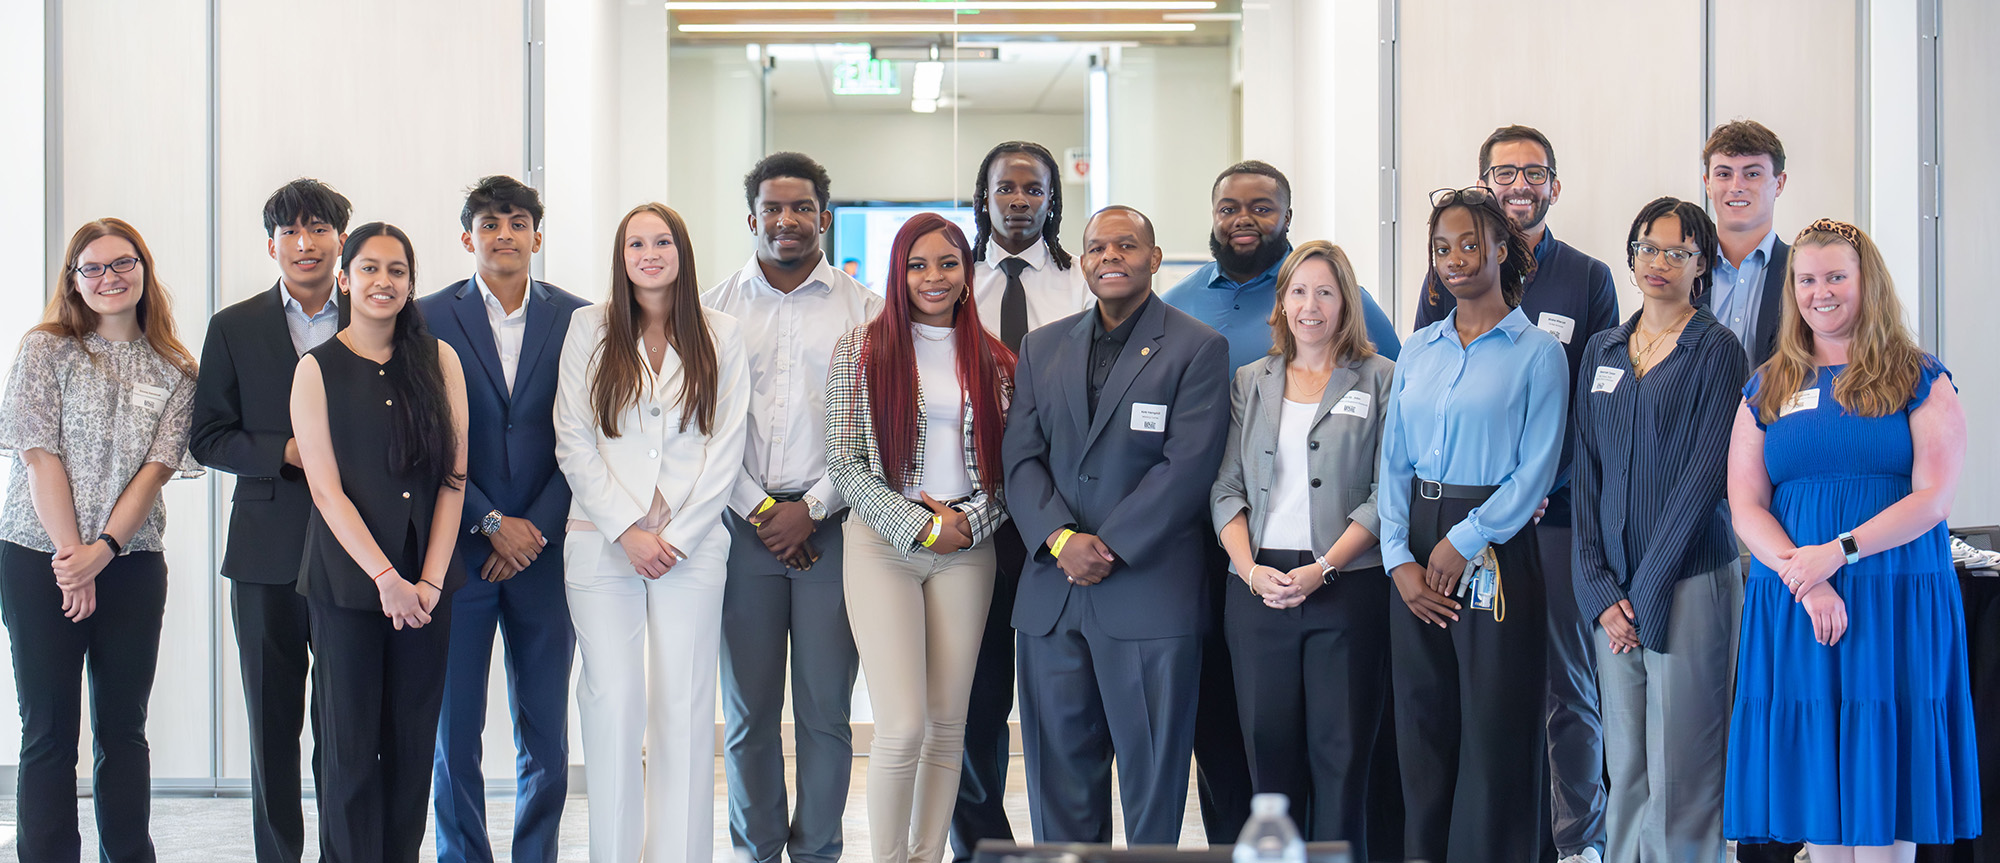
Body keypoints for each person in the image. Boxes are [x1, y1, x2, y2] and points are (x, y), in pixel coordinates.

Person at [1724, 219, 1980, 863]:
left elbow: (1933, 499)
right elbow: (1745, 505)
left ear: (1869, 283)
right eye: (1807, 279)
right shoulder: (1768, 384)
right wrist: (1804, 580)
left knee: (1885, 792)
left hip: (1892, 594)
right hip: (1796, 600)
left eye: (1837, 276)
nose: (1821, 292)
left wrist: (1837, 553)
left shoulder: (1918, 376)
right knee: (1819, 793)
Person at [1411, 125, 1618, 863]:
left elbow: (1593, 401)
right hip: (1463, 517)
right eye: (1505, 172)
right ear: (1485, 185)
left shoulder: (1588, 276)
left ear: (1554, 186)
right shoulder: (1450, 273)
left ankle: (1579, 841)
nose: (1519, 183)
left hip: (1551, 520)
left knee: (1565, 683)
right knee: (1470, 692)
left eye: (1533, 172)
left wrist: (1535, 491)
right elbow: (1428, 388)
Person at [1002, 204, 1231, 845]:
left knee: (1152, 780)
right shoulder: (1041, 348)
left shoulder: (1196, 347)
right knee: (1058, 779)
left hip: (1149, 593)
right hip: (1052, 595)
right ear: (1082, 263)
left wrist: (1109, 546)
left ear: (1154, 258)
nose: (1111, 257)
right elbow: (1020, 460)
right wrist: (1060, 539)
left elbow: (1187, 467)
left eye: (1126, 246)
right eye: (1098, 248)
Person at [0, 218, 199, 863]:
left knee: (123, 728)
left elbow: (155, 472)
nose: (110, 277)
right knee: (49, 730)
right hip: (38, 559)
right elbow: (40, 456)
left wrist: (102, 554)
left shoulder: (175, 368)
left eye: (123, 263)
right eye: (94, 268)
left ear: (144, 269)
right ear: (74, 280)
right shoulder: (44, 350)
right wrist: (72, 561)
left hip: (131, 563)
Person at [557, 203, 749, 863]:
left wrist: (677, 525)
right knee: (613, 705)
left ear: (681, 250)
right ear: (622, 255)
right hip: (602, 541)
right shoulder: (589, 327)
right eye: (636, 242)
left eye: (661, 240)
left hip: (691, 548)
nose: (649, 252)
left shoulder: (722, 332)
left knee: (686, 707)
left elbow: (728, 444)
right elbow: (573, 439)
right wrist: (626, 526)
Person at [1380, 187, 1567, 863]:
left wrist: (1464, 539)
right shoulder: (1417, 350)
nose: (1455, 259)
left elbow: (1535, 469)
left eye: (1469, 244)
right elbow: (1392, 460)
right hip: (1414, 540)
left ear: (1501, 249)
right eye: (1441, 247)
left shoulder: (1536, 351)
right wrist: (1398, 555)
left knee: (1494, 729)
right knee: (1423, 730)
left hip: (1492, 542)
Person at [825, 213, 1016, 863]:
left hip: (968, 548)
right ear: (898, 272)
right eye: (917, 265)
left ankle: (926, 854)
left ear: (967, 273)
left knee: (946, 726)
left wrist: (964, 525)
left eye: (947, 263)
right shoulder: (860, 349)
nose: (932, 278)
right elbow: (846, 462)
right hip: (884, 545)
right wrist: (921, 525)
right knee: (902, 725)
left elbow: (1009, 470)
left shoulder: (996, 359)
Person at [703, 152, 876, 863]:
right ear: (752, 219)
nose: (787, 220)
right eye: (772, 208)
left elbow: (873, 426)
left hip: (834, 529)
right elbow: (703, 426)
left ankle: (818, 851)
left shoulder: (865, 311)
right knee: (747, 715)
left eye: (801, 208)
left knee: (825, 714)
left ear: (824, 218)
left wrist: (811, 506)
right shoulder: (713, 308)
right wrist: (761, 512)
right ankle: (757, 849)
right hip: (741, 527)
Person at [1571, 198, 1746, 863]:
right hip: (1613, 597)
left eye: (1678, 251)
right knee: (1627, 772)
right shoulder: (1603, 349)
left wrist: (1642, 597)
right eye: (1648, 247)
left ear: (1702, 264)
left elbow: (1705, 480)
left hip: (1692, 582)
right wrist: (1597, 587)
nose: (1659, 262)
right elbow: (1585, 473)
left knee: (1686, 774)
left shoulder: (1717, 350)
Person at [422, 175, 590, 863]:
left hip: (546, 556)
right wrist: (492, 521)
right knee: (454, 731)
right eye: (489, 223)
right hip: (458, 552)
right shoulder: (427, 317)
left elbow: (588, 435)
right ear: (469, 238)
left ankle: (535, 854)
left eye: (517, 221)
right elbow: (424, 435)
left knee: (545, 732)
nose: (504, 234)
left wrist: (534, 529)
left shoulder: (581, 318)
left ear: (537, 236)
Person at [1209, 240, 1395, 858]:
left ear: (1346, 302)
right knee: (1270, 758)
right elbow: (1227, 487)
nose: (1310, 305)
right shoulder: (1250, 382)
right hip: (1257, 589)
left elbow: (1383, 494)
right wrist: (1249, 571)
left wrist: (1323, 568)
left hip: (1347, 587)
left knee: (1342, 760)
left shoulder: (1381, 378)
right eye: (1298, 291)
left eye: (1325, 291)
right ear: (1281, 302)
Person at [291, 221, 469, 862]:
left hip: (426, 588)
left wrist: (427, 582)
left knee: (411, 746)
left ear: (410, 284)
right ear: (344, 278)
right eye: (369, 268)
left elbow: (454, 481)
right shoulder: (316, 369)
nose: (382, 281)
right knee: (348, 750)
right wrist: (385, 579)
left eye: (396, 271)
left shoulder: (439, 361)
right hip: (347, 586)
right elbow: (326, 491)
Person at [189, 177, 350, 863]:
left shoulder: (377, 315)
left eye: (320, 229)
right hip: (263, 555)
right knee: (272, 726)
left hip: (357, 551)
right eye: (291, 231)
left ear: (343, 239)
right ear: (271, 243)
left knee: (345, 726)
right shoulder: (233, 326)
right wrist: (287, 450)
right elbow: (208, 436)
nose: (306, 243)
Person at [952, 140, 1091, 859]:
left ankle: (1062, 841)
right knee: (974, 703)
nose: (1017, 201)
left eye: (1032, 190)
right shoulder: (950, 279)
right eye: (1004, 188)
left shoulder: (1080, 285)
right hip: (968, 520)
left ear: (1051, 201)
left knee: (1052, 702)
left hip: (1052, 518)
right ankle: (980, 845)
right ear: (983, 197)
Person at [1700, 120, 1791, 369]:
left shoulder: (1803, 273)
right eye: (1724, 174)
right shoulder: (1682, 270)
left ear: (1779, 183)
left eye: (1752, 174)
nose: (1736, 186)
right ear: (1708, 184)